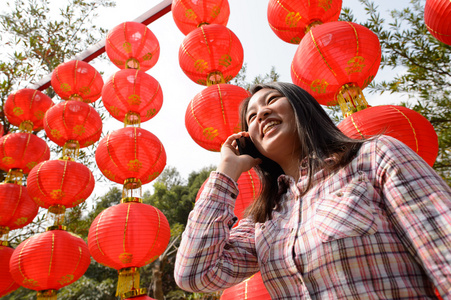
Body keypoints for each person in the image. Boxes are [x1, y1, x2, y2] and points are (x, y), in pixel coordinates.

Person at [174, 82, 451, 299]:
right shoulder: (264, 222)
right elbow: (195, 274)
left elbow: (443, 247)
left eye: (272, 100)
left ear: (302, 107)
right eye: (252, 117)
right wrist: (226, 173)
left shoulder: (373, 157)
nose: (261, 114)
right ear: (252, 143)